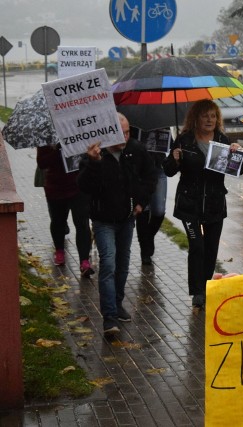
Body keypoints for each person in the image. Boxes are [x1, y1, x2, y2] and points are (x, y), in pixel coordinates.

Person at [163, 99, 243, 311]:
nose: (210, 120)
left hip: (214, 203)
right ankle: (197, 292)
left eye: (213, 116)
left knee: (210, 249)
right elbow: (169, 171)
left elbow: (239, 170)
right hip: (189, 204)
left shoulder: (223, 140)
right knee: (197, 246)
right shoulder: (184, 140)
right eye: (205, 116)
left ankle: (207, 285)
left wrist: (236, 153)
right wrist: (174, 158)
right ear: (196, 118)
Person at [77, 113, 157, 335]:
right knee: (109, 264)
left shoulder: (135, 150)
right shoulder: (96, 153)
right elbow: (84, 185)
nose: (125, 137)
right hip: (103, 220)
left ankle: (118, 303)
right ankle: (109, 316)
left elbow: (150, 177)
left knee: (122, 265)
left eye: (128, 132)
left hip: (126, 219)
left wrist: (141, 202)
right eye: (120, 133)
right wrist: (94, 163)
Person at [36, 143, 94, 277]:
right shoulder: (46, 138)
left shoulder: (77, 131)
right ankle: (59, 250)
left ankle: (84, 261)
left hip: (79, 186)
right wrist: (57, 150)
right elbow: (42, 163)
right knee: (58, 222)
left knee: (82, 223)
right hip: (55, 188)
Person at [135, 133, 168, 266]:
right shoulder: (134, 125)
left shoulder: (162, 124)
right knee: (143, 210)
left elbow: (169, 144)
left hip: (158, 169)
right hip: (140, 171)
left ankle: (147, 238)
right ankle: (145, 251)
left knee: (159, 210)